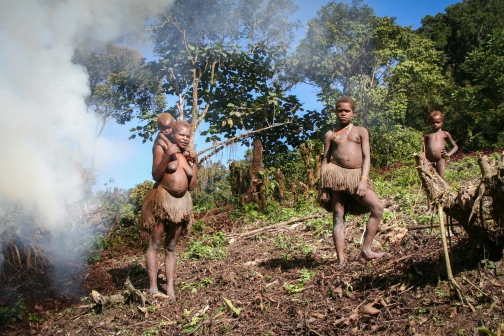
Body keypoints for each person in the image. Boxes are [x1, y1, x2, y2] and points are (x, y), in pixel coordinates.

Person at [318, 96, 387, 265]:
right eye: (340, 110)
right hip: (335, 176)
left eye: (346, 111)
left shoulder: (361, 131)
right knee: (338, 216)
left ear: (353, 113)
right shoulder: (330, 134)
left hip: (356, 176)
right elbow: (325, 159)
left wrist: (363, 180)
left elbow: (366, 157)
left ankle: (366, 250)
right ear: (335, 112)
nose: (343, 113)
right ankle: (341, 259)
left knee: (377, 207)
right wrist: (322, 184)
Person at [140, 120, 198, 299]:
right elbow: (156, 174)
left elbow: (192, 186)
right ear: (172, 133)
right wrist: (168, 155)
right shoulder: (161, 147)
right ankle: (153, 286)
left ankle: (170, 287)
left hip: (180, 205)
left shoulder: (186, 156)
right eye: (181, 134)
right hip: (163, 199)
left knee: (171, 247)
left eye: (188, 136)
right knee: (155, 243)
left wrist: (195, 163)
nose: (185, 138)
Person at [423, 111, 458, 213]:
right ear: (430, 122)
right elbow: (424, 148)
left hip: (440, 159)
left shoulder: (445, 134)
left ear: (442, 122)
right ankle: (430, 207)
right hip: (428, 160)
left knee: (441, 181)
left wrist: (448, 154)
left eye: (438, 122)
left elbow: (455, 146)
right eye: (433, 122)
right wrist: (423, 159)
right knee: (429, 182)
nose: (435, 124)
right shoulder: (427, 134)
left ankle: (441, 205)